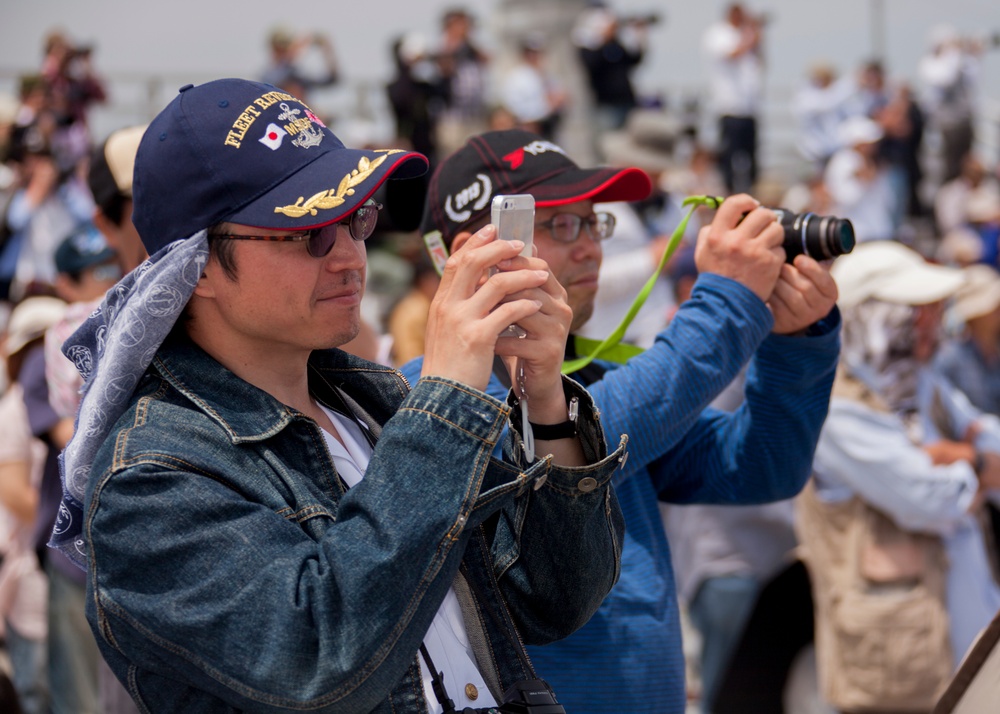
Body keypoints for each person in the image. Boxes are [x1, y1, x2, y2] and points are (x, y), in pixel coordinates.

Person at [50, 78, 625, 713]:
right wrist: (446, 398)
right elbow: (317, 661)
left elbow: (555, 599)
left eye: (356, 219)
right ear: (200, 264)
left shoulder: (376, 404)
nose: (351, 256)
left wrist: (544, 403)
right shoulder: (147, 477)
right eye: (308, 232)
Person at [405, 128, 842, 713]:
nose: (590, 247)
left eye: (593, 223)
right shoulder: (433, 394)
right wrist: (727, 301)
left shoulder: (600, 373)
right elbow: (571, 440)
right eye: (562, 225)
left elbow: (761, 468)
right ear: (476, 249)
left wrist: (797, 343)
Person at [798, 241, 1000, 713]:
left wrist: (963, 458)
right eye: (915, 310)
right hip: (900, 666)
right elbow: (931, 500)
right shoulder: (836, 409)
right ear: (872, 316)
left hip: (964, 636)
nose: (931, 321)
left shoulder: (921, 383)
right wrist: (976, 465)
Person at [0, 295, 68, 714]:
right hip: (29, 569)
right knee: (35, 689)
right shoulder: (13, 411)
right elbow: (12, 489)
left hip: (56, 566)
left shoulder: (64, 404)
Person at [702, 3, 765, 194]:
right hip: (729, 107)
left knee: (751, 158)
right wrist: (750, 36)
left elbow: (761, 62)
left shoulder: (747, 35)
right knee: (729, 157)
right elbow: (731, 54)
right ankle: (728, 192)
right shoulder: (718, 34)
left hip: (749, 108)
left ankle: (750, 191)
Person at [260, 26, 339, 103]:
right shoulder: (269, 76)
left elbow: (331, 80)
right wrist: (302, 45)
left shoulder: (298, 75)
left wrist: (327, 50)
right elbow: (277, 77)